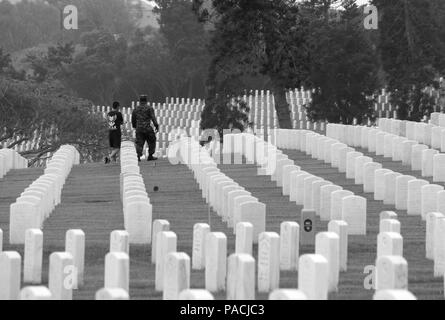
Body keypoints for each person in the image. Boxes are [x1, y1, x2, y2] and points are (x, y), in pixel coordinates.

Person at [131, 94, 159, 161]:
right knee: (152, 141)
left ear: (140, 100)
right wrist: (156, 125)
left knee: (139, 143)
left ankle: (137, 156)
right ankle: (150, 155)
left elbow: (133, 119)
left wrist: (135, 126)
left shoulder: (136, 109)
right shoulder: (149, 108)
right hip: (147, 128)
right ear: (146, 100)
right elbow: (153, 118)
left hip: (139, 129)